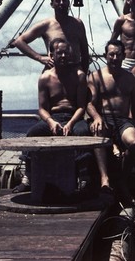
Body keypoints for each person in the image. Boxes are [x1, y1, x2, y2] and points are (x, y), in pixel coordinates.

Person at [13, 39, 106, 193]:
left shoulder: (79, 76)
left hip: (73, 117)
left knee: (83, 132)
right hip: (54, 117)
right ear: (52, 55)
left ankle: (84, 179)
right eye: (59, 52)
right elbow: (42, 109)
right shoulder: (45, 78)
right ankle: (28, 178)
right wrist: (50, 122)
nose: (63, 55)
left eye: (66, 53)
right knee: (32, 133)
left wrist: (70, 123)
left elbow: (81, 106)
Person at [86, 39, 135, 207]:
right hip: (103, 118)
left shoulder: (131, 78)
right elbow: (89, 103)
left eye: (118, 55)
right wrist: (97, 117)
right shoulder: (95, 76)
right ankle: (105, 178)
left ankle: (122, 178)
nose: (114, 58)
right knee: (98, 133)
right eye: (111, 54)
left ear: (123, 56)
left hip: (123, 121)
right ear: (105, 55)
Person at [12, 0, 89, 73]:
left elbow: (85, 53)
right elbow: (19, 42)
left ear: (68, 2)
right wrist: (39, 58)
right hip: (55, 73)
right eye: (58, 1)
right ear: (52, 4)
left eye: (64, 0)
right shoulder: (46, 25)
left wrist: (84, 74)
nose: (61, 3)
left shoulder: (78, 23)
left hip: (75, 72)